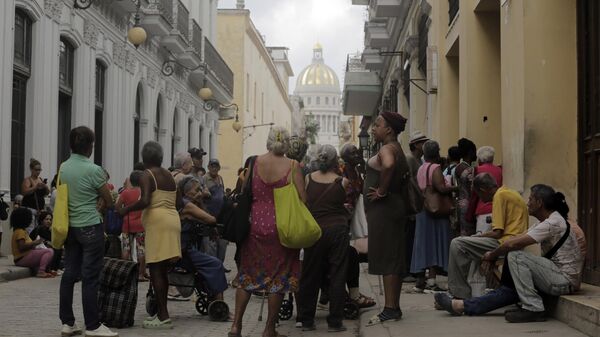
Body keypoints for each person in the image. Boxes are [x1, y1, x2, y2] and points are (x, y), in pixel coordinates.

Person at [435, 184, 586, 323]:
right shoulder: (544, 222)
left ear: (539, 202)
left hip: (564, 281)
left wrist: (492, 255)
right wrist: (495, 253)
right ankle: (461, 305)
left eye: (530, 199)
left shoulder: (553, 222)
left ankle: (534, 308)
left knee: (515, 255)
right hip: (554, 276)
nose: (527, 203)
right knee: (508, 292)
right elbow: (516, 238)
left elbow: (513, 243)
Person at [229, 126, 304, 337]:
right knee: (278, 279)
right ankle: (269, 329)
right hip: (281, 227)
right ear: (287, 143)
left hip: (255, 226)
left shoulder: (254, 162)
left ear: (269, 141)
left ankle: (236, 325)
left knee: (247, 275)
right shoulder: (293, 165)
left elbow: (245, 192)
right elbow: (302, 198)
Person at [58, 126, 117, 337]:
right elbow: (109, 200)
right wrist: (101, 202)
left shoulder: (64, 167)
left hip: (71, 228)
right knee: (90, 277)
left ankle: (67, 323)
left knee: (69, 274)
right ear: (90, 147)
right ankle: (92, 325)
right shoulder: (94, 170)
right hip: (90, 226)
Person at [118, 141, 181, 329]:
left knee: (155, 269)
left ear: (144, 159)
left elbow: (145, 200)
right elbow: (177, 201)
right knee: (162, 270)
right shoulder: (169, 175)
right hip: (172, 220)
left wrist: (126, 210)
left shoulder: (148, 174)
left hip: (158, 223)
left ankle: (163, 316)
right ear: (161, 158)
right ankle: (163, 313)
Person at [447, 173, 528, 300]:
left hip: (506, 242)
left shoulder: (499, 196)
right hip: (513, 241)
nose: (480, 199)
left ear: (483, 190)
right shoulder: (508, 192)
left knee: (457, 243)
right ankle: (466, 289)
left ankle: (459, 293)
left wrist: (477, 237)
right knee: (466, 244)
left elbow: (497, 233)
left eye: (478, 194)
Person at [297, 145, 350, 332]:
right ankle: (335, 321)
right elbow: (346, 203)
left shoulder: (308, 179)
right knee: (337, 274)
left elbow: (304, 202)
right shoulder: (342, 182)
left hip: (315, 231)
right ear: (336, 161)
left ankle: (306, 320)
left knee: (310, 273)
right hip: (338, 230)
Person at [364, 112, 410, 325]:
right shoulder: (396, 147)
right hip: (392, 208)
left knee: (388, 257)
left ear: (389, 129)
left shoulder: (387, 149)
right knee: (393, 255)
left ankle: (390, 308)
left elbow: (389, 165)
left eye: (378, 125)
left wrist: (381, 191)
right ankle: (393, 306)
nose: (374, 128)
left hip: (386, 209)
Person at [410, 140, 456, 292]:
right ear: (437, 152)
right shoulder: (435, 168)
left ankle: (422, 280)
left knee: (425, 244)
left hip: (424, 209)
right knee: (437, 243)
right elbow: (441, 188)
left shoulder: (421, 168)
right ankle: (432, 280)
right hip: (436, 210)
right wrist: (456, 187)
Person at [178, 176, 229, 301]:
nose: (200, 193)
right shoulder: (187, 205)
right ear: (186, 192)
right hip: (184, 251)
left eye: (200, 190)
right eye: (196, 191)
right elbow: (210, 219)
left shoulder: (185, 203)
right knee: (216, 264)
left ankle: (213, 297)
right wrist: (200, 201)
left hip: (187, 249)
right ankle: (219, 302)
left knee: (210, 260)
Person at [339, 143, 374, 307]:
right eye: (353, 153)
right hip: (342, 217)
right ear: (345, 157)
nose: (357, 155)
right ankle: (343, 294)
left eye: (357, 152)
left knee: (350, 254)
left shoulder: (357, 171)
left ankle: (351, 293)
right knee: (346, 254)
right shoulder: (342, 170)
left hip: (353, 216)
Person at [116, 170, 148, 282]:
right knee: (141, 249)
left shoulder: (125, 193)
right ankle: (141, 273)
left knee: (126, 248)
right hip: (141, 224)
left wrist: (123, 212)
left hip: (127, 224)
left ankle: (125, 273)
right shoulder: (144, 192)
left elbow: (117, 207)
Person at [11, 207, 55, 278]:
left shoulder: (21, 231)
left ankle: (46, 270)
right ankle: (41, 271)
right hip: (22, 258)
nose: (30, 220)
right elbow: (22, 247)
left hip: (23, 258)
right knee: (49, 251)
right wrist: (35, 242)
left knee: (44, 251)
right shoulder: (20, 232)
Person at [470, 146, 503, 234]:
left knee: (481, 239)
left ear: (479, 159)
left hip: (483, 209)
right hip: (498, 208)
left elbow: (474, 195)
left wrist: (469, 214)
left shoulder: (477, 170)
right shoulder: (500, 170)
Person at [203, 159, 228, 263]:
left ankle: (219, 268)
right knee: (211, 249)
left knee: (222, 247)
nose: (214, 168)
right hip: (209, 217)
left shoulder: (220, 178)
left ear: (219, 168)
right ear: (208, 167)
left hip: (221, 218)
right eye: (212, 166)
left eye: (216, 166)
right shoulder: (204, 178)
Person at [455, 138, 478, 235]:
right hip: (468, 205)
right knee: (468, 234)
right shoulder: (467, 169)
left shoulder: (458, 167)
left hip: (461, 203)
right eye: (474, 151)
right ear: (470, 152)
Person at [21, 158, 50, 231]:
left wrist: (45, 187)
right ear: (31, 169)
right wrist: (35, 187)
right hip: (30, 209)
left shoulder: (40, 179)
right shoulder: (28, 180)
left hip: (39, 210)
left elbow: (47, 193)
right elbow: (24, 192)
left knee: (38, 230)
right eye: (36, 170)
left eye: (39, 170)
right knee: (30, 230)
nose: (38, 172)